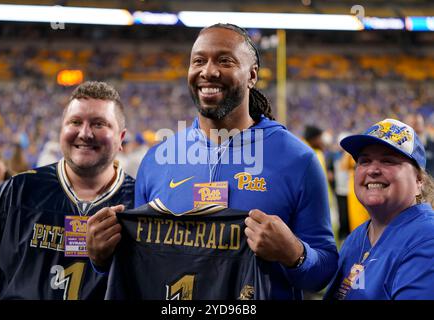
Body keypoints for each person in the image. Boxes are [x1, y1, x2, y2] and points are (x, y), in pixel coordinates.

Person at [88, 24, 337, 300]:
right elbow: (140, 266)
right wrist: (101, 259)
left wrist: (294, 254)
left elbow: (323, 273)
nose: (208, 71)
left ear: (252, 75)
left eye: (224, 60)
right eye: (198, 60)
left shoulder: (298, 161)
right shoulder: (157, 159)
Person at [0, 81, 135, 299]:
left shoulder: (140, 202)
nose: (85, 133)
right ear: (61, 130)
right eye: (75, 122)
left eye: (99, 124)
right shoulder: (15, 193)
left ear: (121, 138)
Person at [325, 118, 434, 300]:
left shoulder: (427, 240)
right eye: (365, 161)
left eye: (388, 161)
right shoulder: (357, 237)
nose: (373, 170)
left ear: (419, 181)